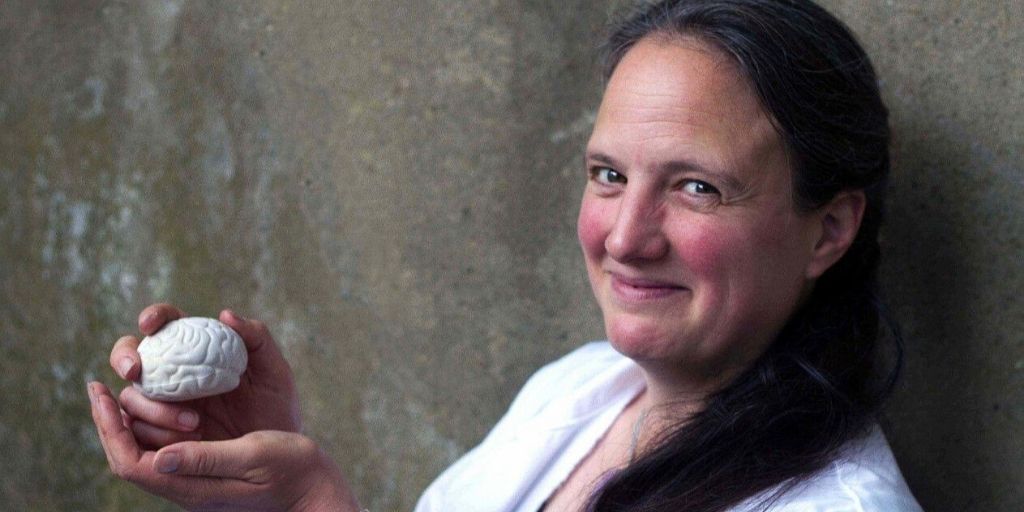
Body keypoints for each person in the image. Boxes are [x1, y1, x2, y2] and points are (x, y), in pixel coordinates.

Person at [88, 1, 924, 510]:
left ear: (828, 230)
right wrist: (268, 485)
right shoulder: (580, 391)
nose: (626, 236)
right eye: (608, 174)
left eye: (698, 187)